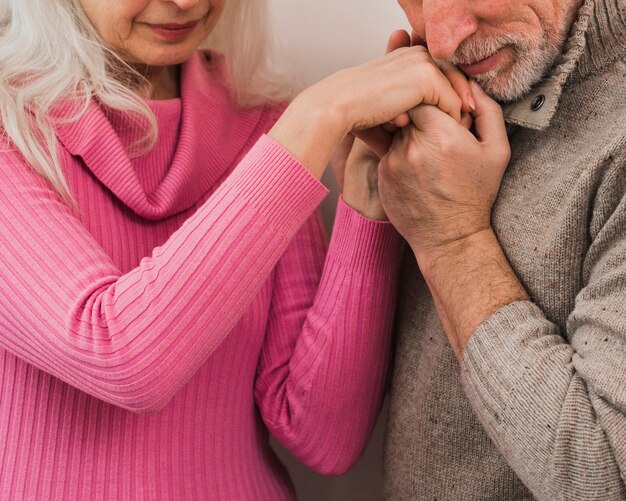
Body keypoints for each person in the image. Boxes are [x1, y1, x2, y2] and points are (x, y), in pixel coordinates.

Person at [0, 0, 471, 499]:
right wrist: (318, 114)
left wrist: (368, 198)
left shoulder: (259, 124)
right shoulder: (11, 126)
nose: (186, 2)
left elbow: (323, 438)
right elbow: (120, 355)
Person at [370, 0, 626, 498]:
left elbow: (606, 474)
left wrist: (452, 242)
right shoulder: (475, 72)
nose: (441, 40)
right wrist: (367, 202)